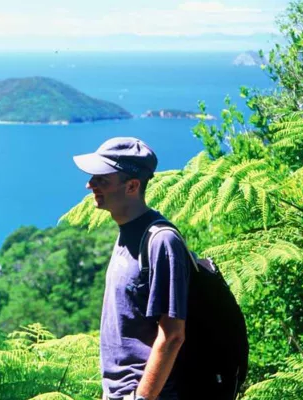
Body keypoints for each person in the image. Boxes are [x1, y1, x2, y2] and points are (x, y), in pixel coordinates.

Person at [72, 138, 188, 400]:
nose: (90, 184)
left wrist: (141, 397)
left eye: (102, 179)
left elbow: (173, 336)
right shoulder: (127, 232)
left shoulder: (161, 241)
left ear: (132, 186)